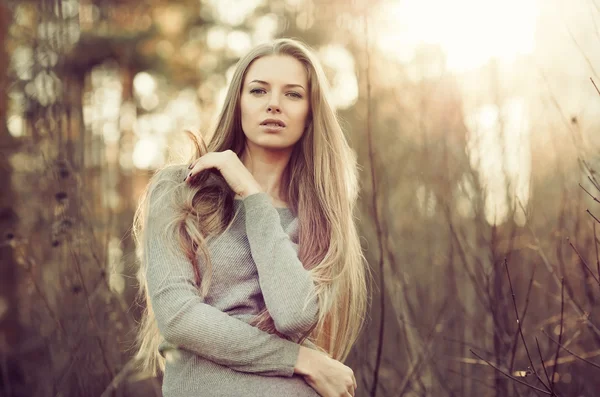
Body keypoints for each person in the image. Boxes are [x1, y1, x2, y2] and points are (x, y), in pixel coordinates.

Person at [132, 38, 368, 397]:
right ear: (238, 102)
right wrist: (300, 360)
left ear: (310, 113)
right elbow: (178, 317)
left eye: (293, 94)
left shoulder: (319, 220)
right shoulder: (180, 188)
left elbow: (293, 315)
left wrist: (253, 197)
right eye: (259, 90)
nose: (274, 104)